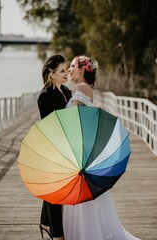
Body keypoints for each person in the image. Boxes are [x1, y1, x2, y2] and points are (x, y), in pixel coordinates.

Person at [63, 55, 141, 240]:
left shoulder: (80, 88)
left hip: (79, 146)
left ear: (82, 70)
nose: (69, 70)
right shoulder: (84, 88)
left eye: (72, 66)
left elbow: (76, 121)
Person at [37, 54, 71, 240]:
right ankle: (58, 235)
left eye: (66, 69)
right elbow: (50, 126)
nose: (66, 73)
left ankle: (45, 222)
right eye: (62, 71)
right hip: (54, 147)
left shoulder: (67, 91)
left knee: (57, 188)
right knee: (56, 191)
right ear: (52, 74)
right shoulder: (45, 96)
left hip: (67, 146)